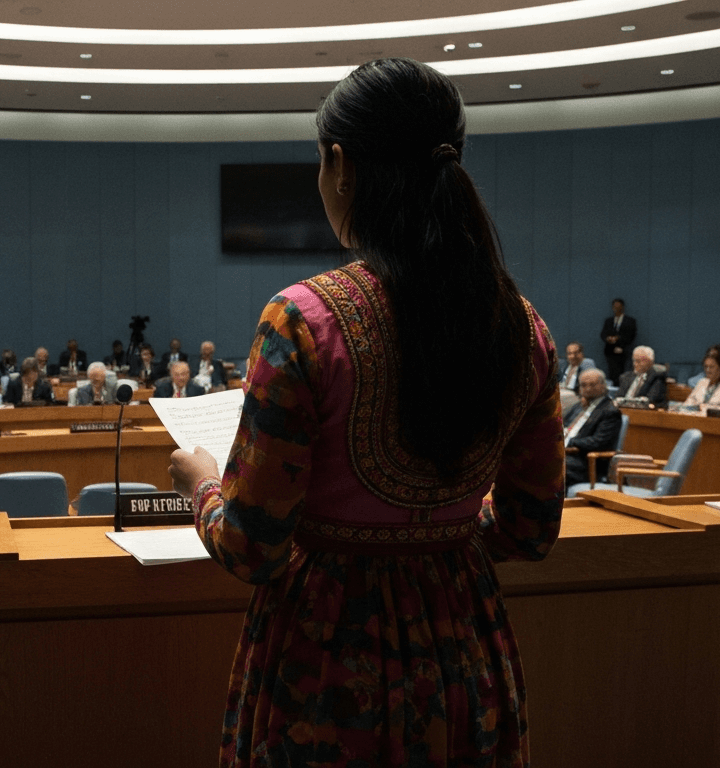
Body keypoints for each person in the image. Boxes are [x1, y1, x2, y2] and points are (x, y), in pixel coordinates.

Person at [168, 58, 563, 766]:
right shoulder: (523, 328)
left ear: (340, 164)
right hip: (463, 652)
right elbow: (530, 530)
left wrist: (199, 482)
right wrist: (437, 527)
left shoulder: (300, 323)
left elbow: (254, 547)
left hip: (325, 662)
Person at [563, 369, 623, 487]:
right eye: (584, 385)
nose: (588, 388)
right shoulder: (579, 406)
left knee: (549, 466)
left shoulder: (610, 411)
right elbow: (562, 425)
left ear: (603, 385)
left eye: (592, 384)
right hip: (566, 454)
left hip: (586, 462)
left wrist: (569, 442)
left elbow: (598, 442)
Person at [600, 298, 636, 382]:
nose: (616, 309)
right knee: (611, 372)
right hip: (609, 351)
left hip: (623, 351)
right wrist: (608, 338)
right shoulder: (608, 321)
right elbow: (603, 334)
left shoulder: (630, 321)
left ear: (622, 307)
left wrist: (618, 339)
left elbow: (631, 336)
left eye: (618, 306)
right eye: (614, 307)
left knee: (621, 373)